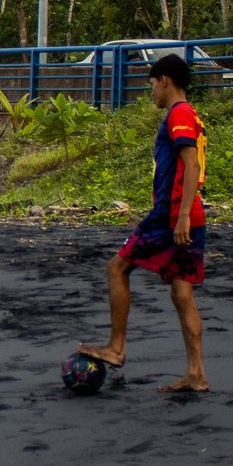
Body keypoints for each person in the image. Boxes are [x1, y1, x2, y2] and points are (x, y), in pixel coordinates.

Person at [79, 52, 209, 393]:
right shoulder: (192, 114)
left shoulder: (178, 114)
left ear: (165, 80)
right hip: (193, 214)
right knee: (182, 292)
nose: (151, 91)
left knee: (117, 268)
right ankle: (196, 374)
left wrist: (178, 217)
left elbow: (191, 165)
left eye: (152, 84)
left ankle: (117, 348)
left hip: (171, 215)